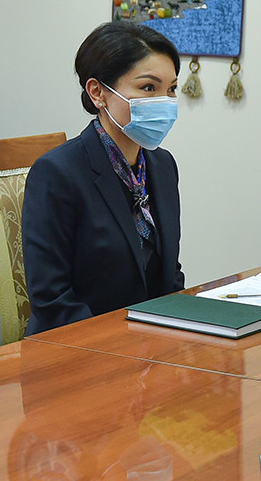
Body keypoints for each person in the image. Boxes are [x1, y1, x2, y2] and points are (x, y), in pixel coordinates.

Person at [23, 21, 184, 335]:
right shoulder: (57, 172)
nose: (164, 102)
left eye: (171, 89)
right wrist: (121, 349)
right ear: (98, 93)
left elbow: (169, 275)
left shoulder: (163, 165)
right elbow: (52, 299)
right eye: (148, 88)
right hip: (78, 347)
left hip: (150, 344)